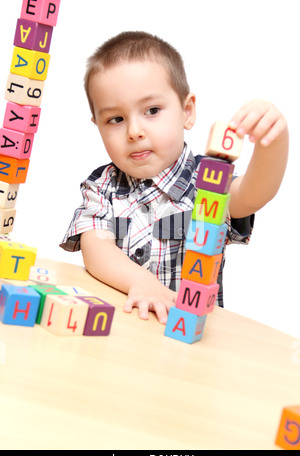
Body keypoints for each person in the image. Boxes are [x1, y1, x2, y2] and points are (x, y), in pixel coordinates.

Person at [60, 31, 288, 325]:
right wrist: (140, 283)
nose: (134, 131)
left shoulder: (207, 181)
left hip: (189, 342)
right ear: (98, 126)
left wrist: (275, 141)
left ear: (187, 111)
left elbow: (254, 193)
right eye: (115, 119)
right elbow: (96, 248)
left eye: (152, 111)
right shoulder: (101, 186)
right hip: (120, 335)